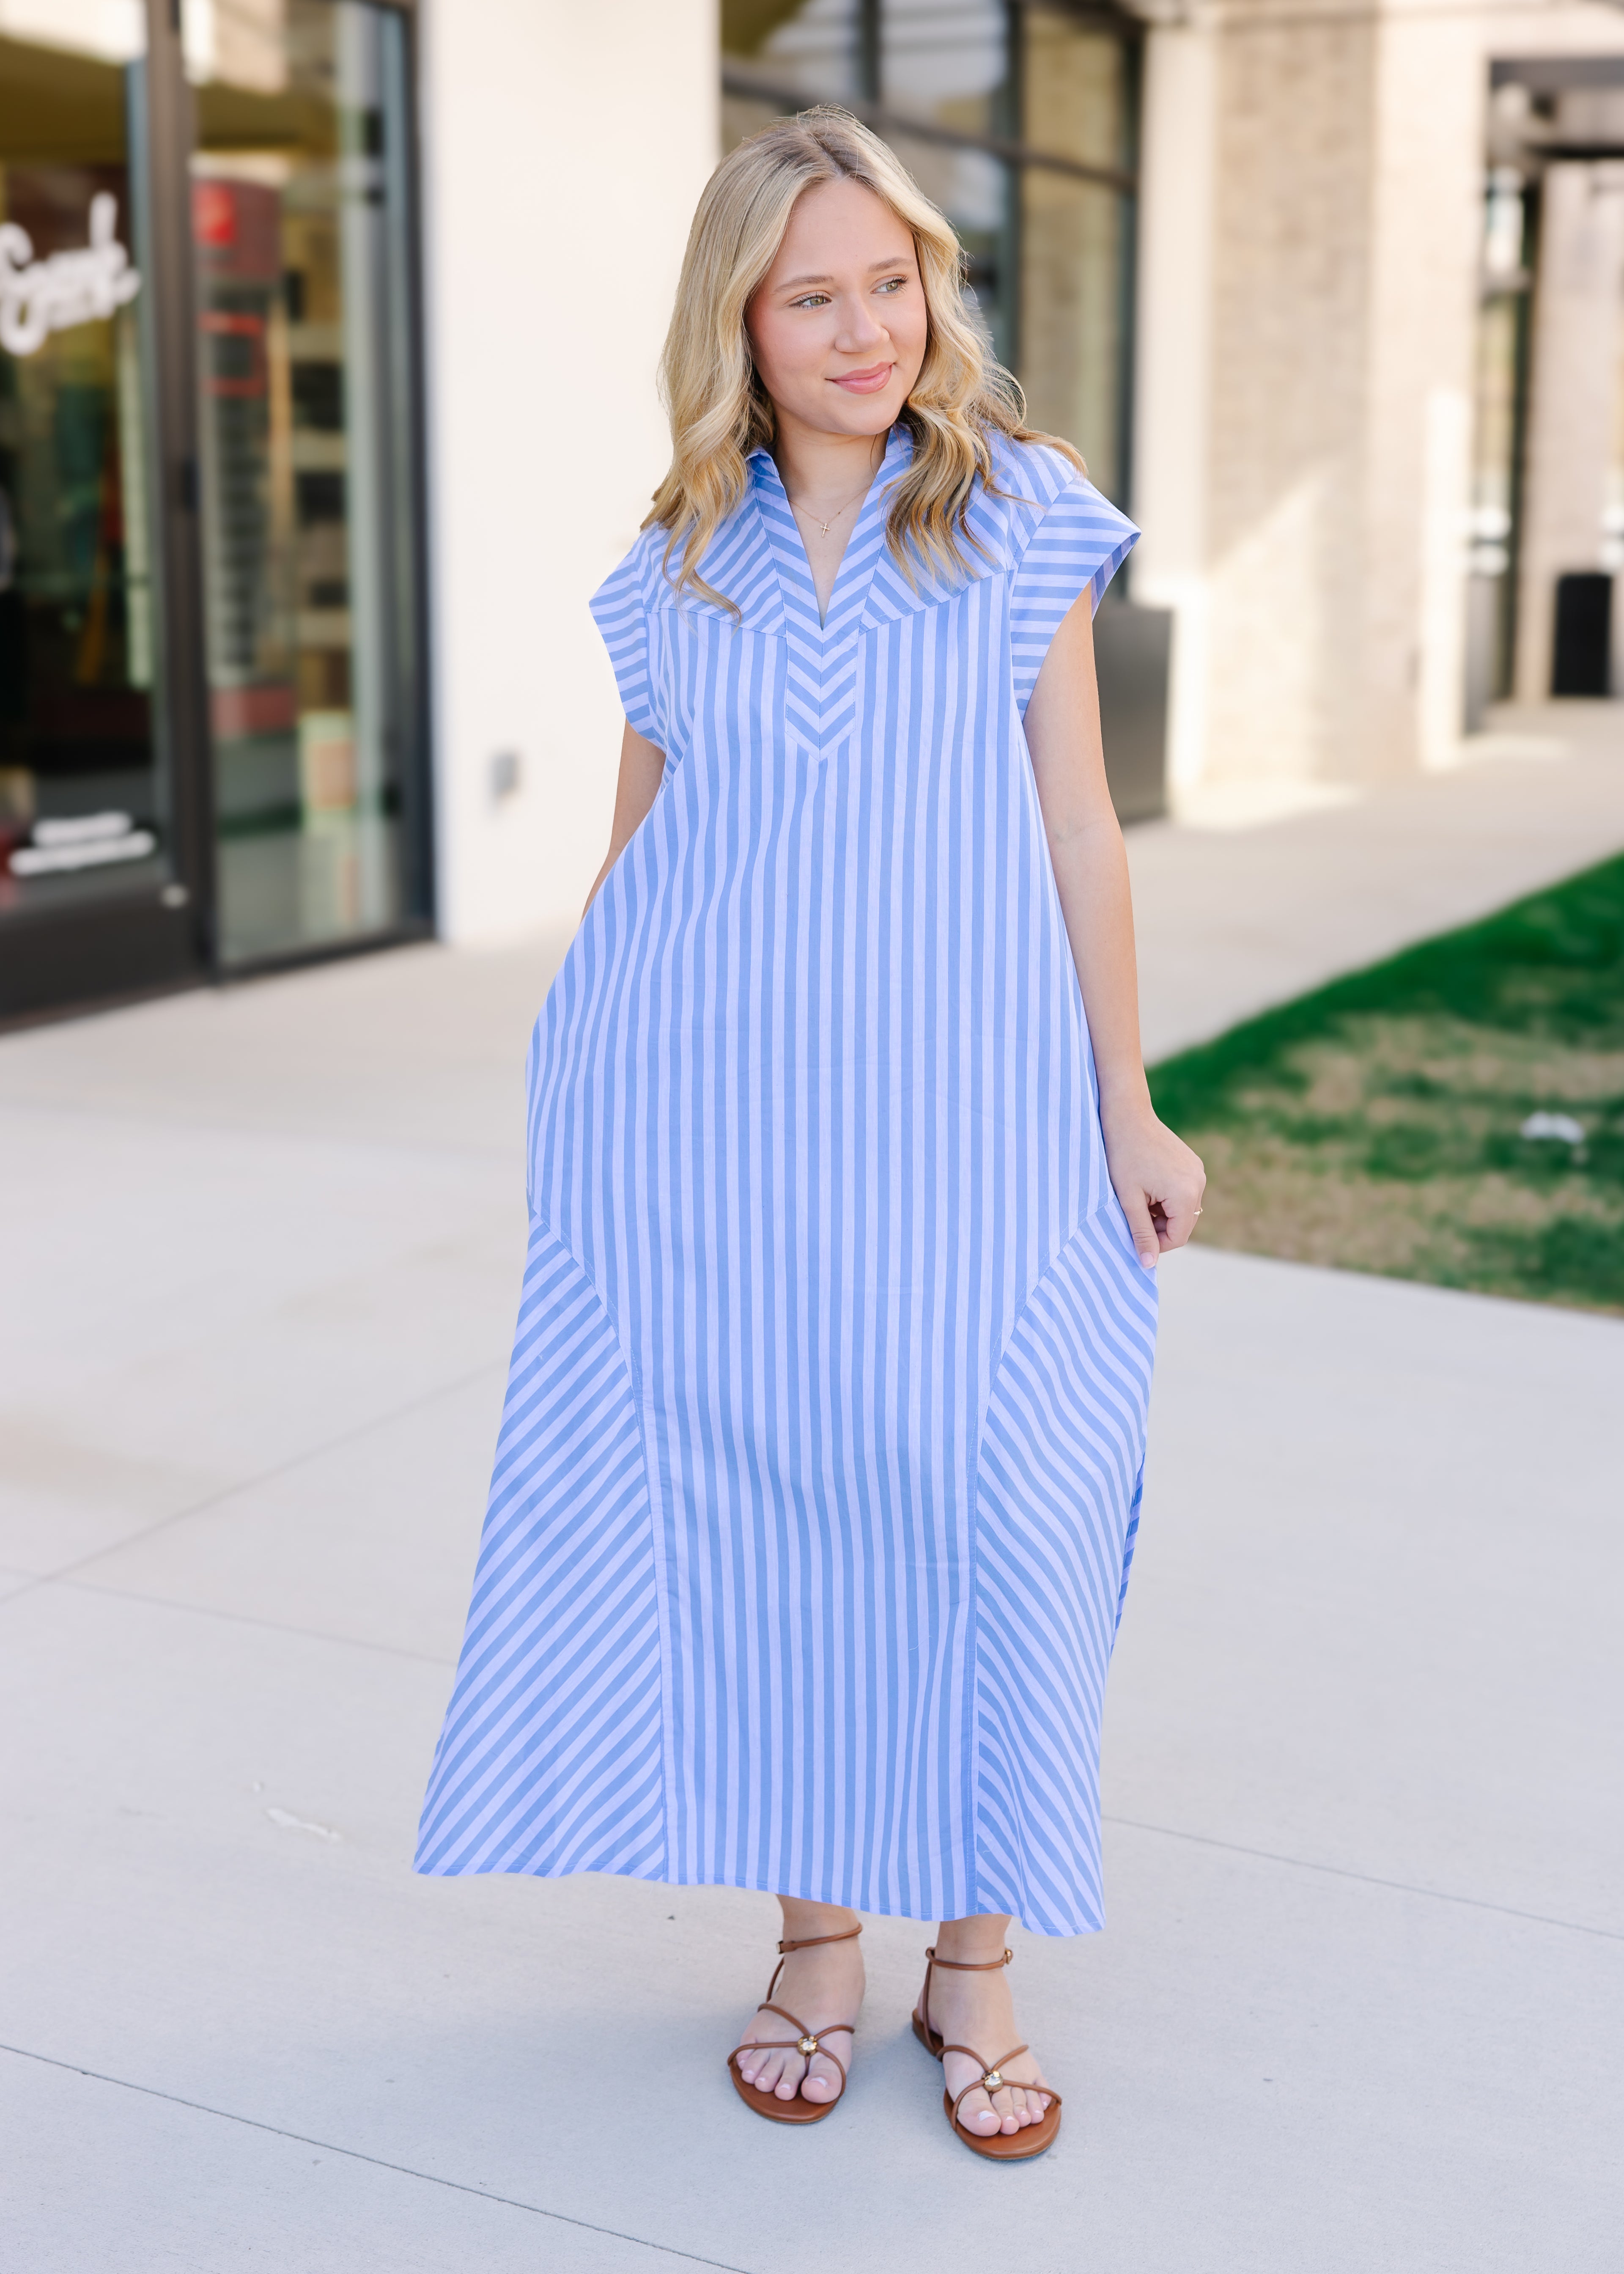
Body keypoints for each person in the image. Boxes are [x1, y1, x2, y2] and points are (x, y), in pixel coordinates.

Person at [417, 107, 1204, 2164]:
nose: (867, 328)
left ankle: (978, 1963)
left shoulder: (1021, 514)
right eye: (814, 295)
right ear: (741, 324)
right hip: (731, 1157)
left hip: (983, 1141)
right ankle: (815, 1948)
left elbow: (1081, 830)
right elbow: (642, 861)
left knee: (999, 1528)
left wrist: (1127, 1098)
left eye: (895, 279)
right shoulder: (676, 562)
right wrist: (587, 1110)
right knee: (783, 1538)